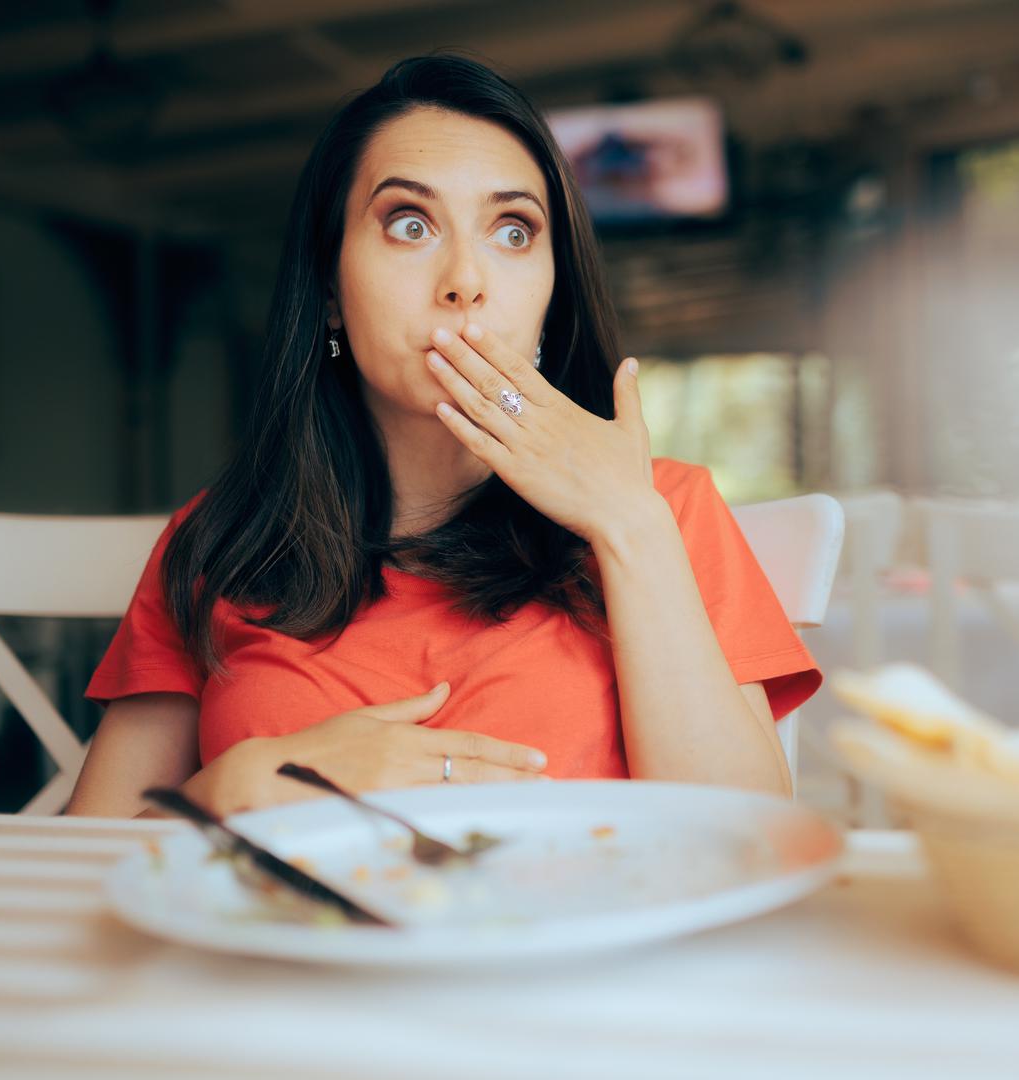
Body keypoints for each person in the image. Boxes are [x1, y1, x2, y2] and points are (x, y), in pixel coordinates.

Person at [65, 54, 820, 819]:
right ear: (329, 289)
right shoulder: (221, 541)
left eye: (514, 231)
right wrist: (233, 786)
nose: (466, 279)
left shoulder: (665, 508)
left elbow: (749, 834)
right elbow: (72, 868)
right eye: (410, 224)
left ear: (553, 294)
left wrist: (627, 525)